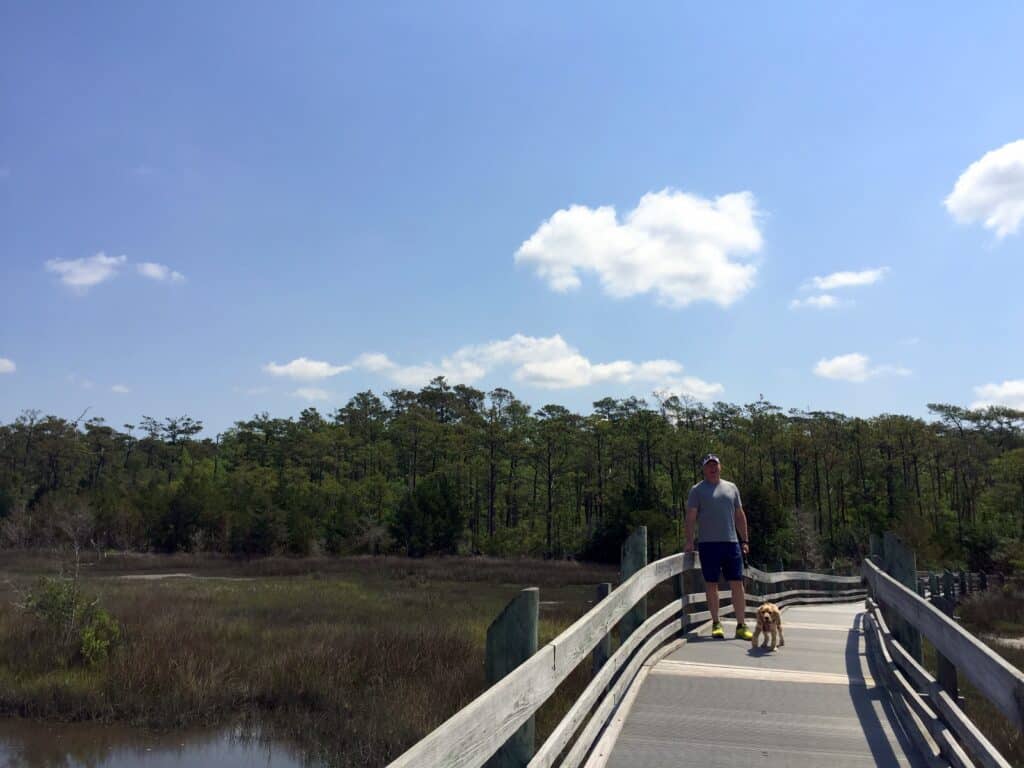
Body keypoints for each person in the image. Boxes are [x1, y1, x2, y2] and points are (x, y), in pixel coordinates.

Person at [684, 453, 753, 640]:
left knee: (737, 583)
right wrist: (690, 541)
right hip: (708, 544)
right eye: (709, 466)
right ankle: (716, 623)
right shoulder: (697, 490)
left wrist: (745, 540)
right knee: (711, 584)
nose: (713, 468)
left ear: (720, 467)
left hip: (731, 542)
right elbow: (691, 517)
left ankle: (741, 624)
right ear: (704, 469)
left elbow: (739, 515)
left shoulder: (731, 488)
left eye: (715, 465)